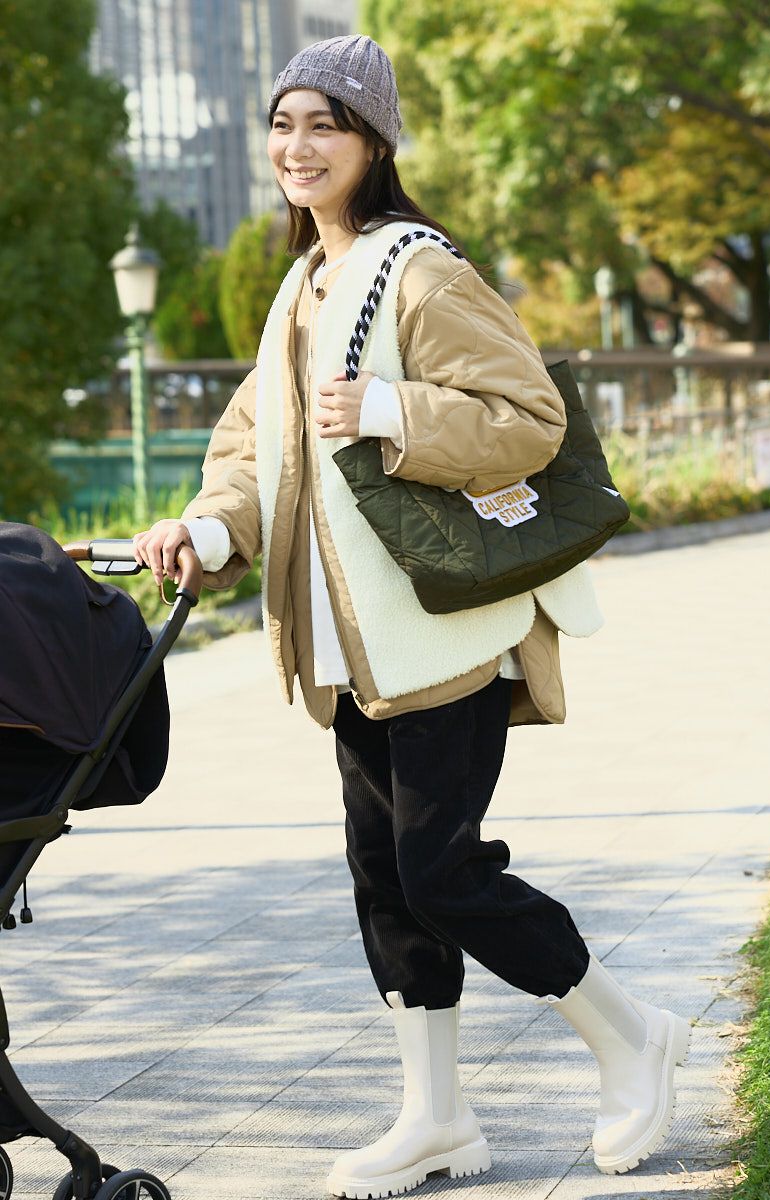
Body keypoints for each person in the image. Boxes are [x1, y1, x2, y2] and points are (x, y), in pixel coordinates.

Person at [134, 34, 689, 1198]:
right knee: (385, 880)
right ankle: (436, 1120)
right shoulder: (302, 285)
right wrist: (211, 528)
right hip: (351, 653)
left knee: (441, 872)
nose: (297, 146)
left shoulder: (418, 271)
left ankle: (633, 1035)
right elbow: (255, 449)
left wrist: (392, 407)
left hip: (442, 637)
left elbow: (527, 417)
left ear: (372, 141)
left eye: (324, 125)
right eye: (283, 124)